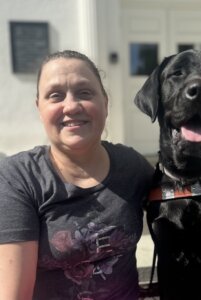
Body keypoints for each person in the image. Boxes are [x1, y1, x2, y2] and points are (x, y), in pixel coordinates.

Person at [0, 50, 154, 300]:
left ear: (105, 102)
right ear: (39, 107)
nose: (71, 106)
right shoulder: (18, 179)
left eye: (85, 92)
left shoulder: (131, 166)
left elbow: (183, 192)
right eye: (55, 95)